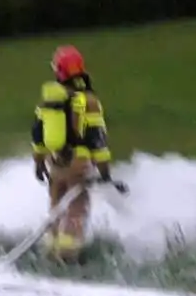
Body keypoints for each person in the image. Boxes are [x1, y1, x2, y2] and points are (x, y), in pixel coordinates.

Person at [31, 45, 125, 262]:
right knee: (77, 208)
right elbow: (97, 139)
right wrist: (104, 171)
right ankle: (67, 256)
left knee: (56, 207)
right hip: (78, 164)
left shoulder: (48, 102)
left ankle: (51, 252)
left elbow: (38, 136)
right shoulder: (89, 102)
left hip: (55, 164)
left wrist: (39, 163)